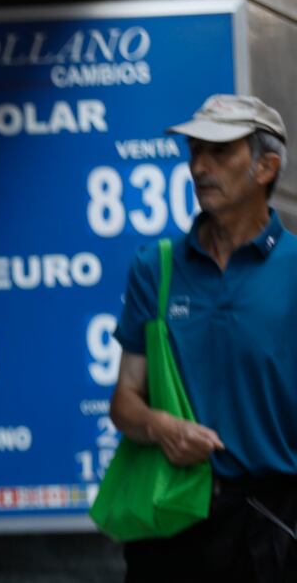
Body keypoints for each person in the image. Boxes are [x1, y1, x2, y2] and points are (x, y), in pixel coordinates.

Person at [110, 93, 297, 581]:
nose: (199, 166)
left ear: (265, 167)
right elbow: (124, 401)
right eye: (194, 150)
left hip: (273, 522)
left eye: (219, 151)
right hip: (171, 519)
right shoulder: (157, 266)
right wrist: (162, 428)